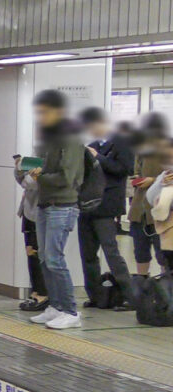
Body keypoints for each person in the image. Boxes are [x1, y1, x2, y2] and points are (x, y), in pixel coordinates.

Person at [27, 90, 84, 330]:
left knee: (54, 258)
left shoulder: (70, 139)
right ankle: (56, 306)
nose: (40, 117)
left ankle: (70, 311)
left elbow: (67, 178)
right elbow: (41, 167)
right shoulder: (49, 139)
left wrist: (40, 176)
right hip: (44, 204)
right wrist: (28, 167)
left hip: (62, 205)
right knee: (44, 258)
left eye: (44, 112)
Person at [77, 107, 134, 308]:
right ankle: (96, 296)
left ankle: (130, 296)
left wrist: (98, 158)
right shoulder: (91, 145)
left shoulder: (122, 143)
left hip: (106, 206)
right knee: (88, 254)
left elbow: (124, 169)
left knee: (111, 252)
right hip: (86, 205)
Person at [128, 115, 170, 277]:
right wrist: (136, 180)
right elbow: (135, 172)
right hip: (140, 208)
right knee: (140, 251)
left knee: (164, 254)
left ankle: (166, 293)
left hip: (162, 208)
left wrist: (153, 181)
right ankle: (143, 290)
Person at [14, 155, 49, 312]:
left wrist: (27, 175)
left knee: (37, 254)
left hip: (41, 214)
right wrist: (19, 169)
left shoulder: (55, 161)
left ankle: (43, 293)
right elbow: (24, 181)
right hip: (29, 213)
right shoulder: (40, 158)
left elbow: (31, 184)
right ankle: (36, 291)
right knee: (30, 252)